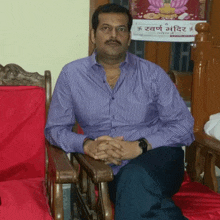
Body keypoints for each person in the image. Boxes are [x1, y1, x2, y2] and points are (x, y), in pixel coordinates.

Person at [45, 3, 194, 220]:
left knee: (134, 179)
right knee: (139, 195)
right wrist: (87, 145)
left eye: (121, 29)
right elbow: (55, 129)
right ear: (93, 35)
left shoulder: (152, 74)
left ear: (129, 37)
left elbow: (184, 126)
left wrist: (140, 146)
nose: (114, 35)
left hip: (159, 159)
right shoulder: (72, 75)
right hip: (109, 171)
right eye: (106, 28)